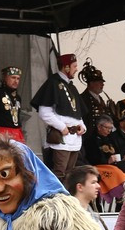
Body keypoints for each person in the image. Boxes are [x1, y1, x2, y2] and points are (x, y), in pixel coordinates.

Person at [31, 53, 86, 181]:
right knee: (59, 174)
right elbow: (44, 112)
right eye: (74, 66)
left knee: (70, 175)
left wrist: (82, 126)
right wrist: (61, 127)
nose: (76, 69)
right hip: (62, 138)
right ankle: (57, 200)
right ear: (66, 67)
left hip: (75, 139)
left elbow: (76, 112)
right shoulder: (53, 83)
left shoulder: (71, 86)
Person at [82, 115, 125, 203]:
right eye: (107, 128)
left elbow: (117, 151)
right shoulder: (91, 140)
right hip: (99, 165)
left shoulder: (110, 138)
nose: (109, 130)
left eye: (111, 128)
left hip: (114, 164)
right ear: (99, 127)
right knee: (116, 171)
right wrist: (107, 161)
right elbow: (92, 158)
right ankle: (121, 194)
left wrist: (124, 157)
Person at [78, 60, 117, 130]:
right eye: (99, 82)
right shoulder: (82, 98)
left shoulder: (101, 99)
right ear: (91, 83)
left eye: (102, 82)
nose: (102, 84)